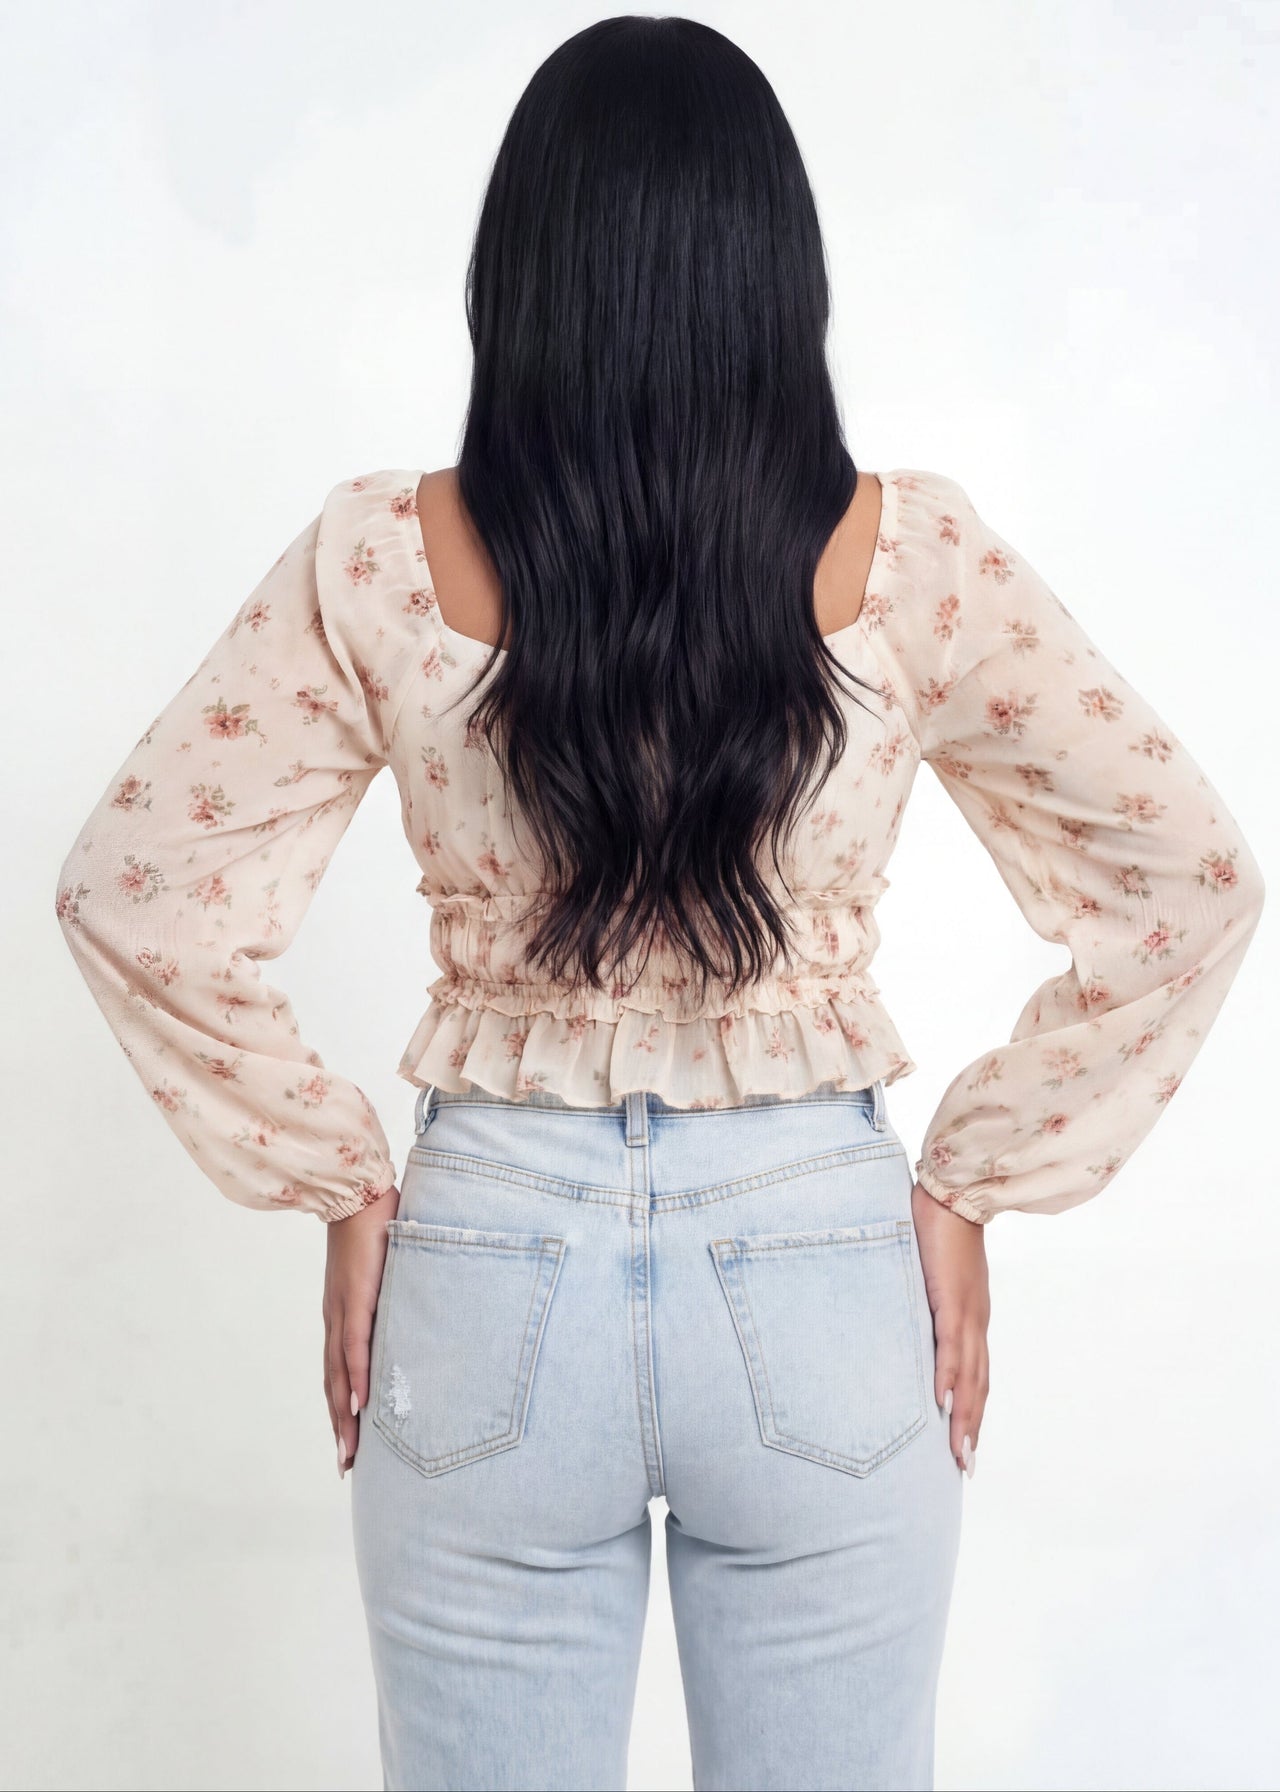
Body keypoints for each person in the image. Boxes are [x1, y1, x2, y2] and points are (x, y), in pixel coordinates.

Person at [52, 16, 1265, 1792]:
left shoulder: (381, 560)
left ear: (519, 275)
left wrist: (341, 1176)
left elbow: (134, 886)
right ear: (777, 278)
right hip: (823, 1259)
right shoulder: (911, 559)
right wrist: (966, 1185)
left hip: (483, 1269)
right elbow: (1194, 875)